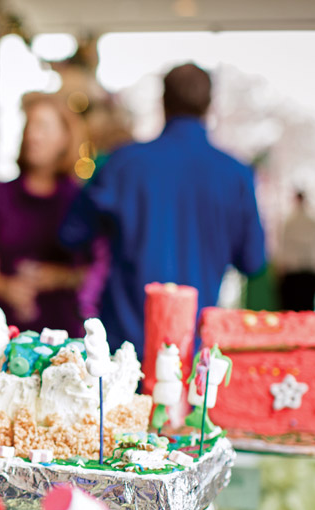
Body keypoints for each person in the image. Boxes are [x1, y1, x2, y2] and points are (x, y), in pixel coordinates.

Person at [61, 63, 266, 354]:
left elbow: (71, 234)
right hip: (194, 349)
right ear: (209, 106)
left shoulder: (122, 164)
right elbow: (253, 261)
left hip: (125, 347)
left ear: (164, 103)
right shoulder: (237, 175)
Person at [0, 92, 104, 338]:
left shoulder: (78, 198)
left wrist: (58, 277)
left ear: (65, 138)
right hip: (6, 335)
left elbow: (95, 269)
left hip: (63, 338)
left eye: (43, 127)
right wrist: (6, 287)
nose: (33, 135)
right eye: (29, 126)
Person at [277, 191, 315, 311]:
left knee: (291, 310)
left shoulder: (289, 222)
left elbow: (284, 249)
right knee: (307, 310)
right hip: (308, 273)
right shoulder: (314, 223)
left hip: (293, 272)